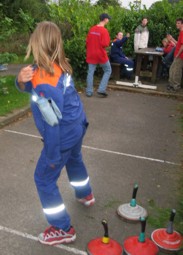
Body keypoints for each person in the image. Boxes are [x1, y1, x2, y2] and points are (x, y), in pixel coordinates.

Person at [15, 21, 95, 246]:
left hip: (62, 134)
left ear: (37, 44)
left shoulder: (45, 80)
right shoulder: (57, 66)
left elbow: (51, 124)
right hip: (77, 125)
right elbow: (35, 88)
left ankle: (62, 228)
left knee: (43, 178)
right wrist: (20, 81)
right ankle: (85, 194)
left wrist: (51, 156)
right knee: (74, 159)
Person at [86, 13, 112, 97]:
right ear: (105, 19)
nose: (108, 20)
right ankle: (101, 89)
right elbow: (106, 44)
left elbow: (87, 41)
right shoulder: (104, 31)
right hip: (100, 54)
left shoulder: (92, 29)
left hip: (91, 53)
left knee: (90, 72)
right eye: (108, 19)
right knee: (108, 70)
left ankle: (89, 92)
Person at [167, 18, 183, 92]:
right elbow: (178, 44)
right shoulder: (180, 33)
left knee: (176, 71)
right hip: (177, 55)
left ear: (182, 24)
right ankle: (171, 85)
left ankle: (176, 87)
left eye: (178, 23)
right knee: (172, 69)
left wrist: (177, 55)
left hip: (180, 56)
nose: (177, 24)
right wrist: (171, 39)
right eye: (176, 23)